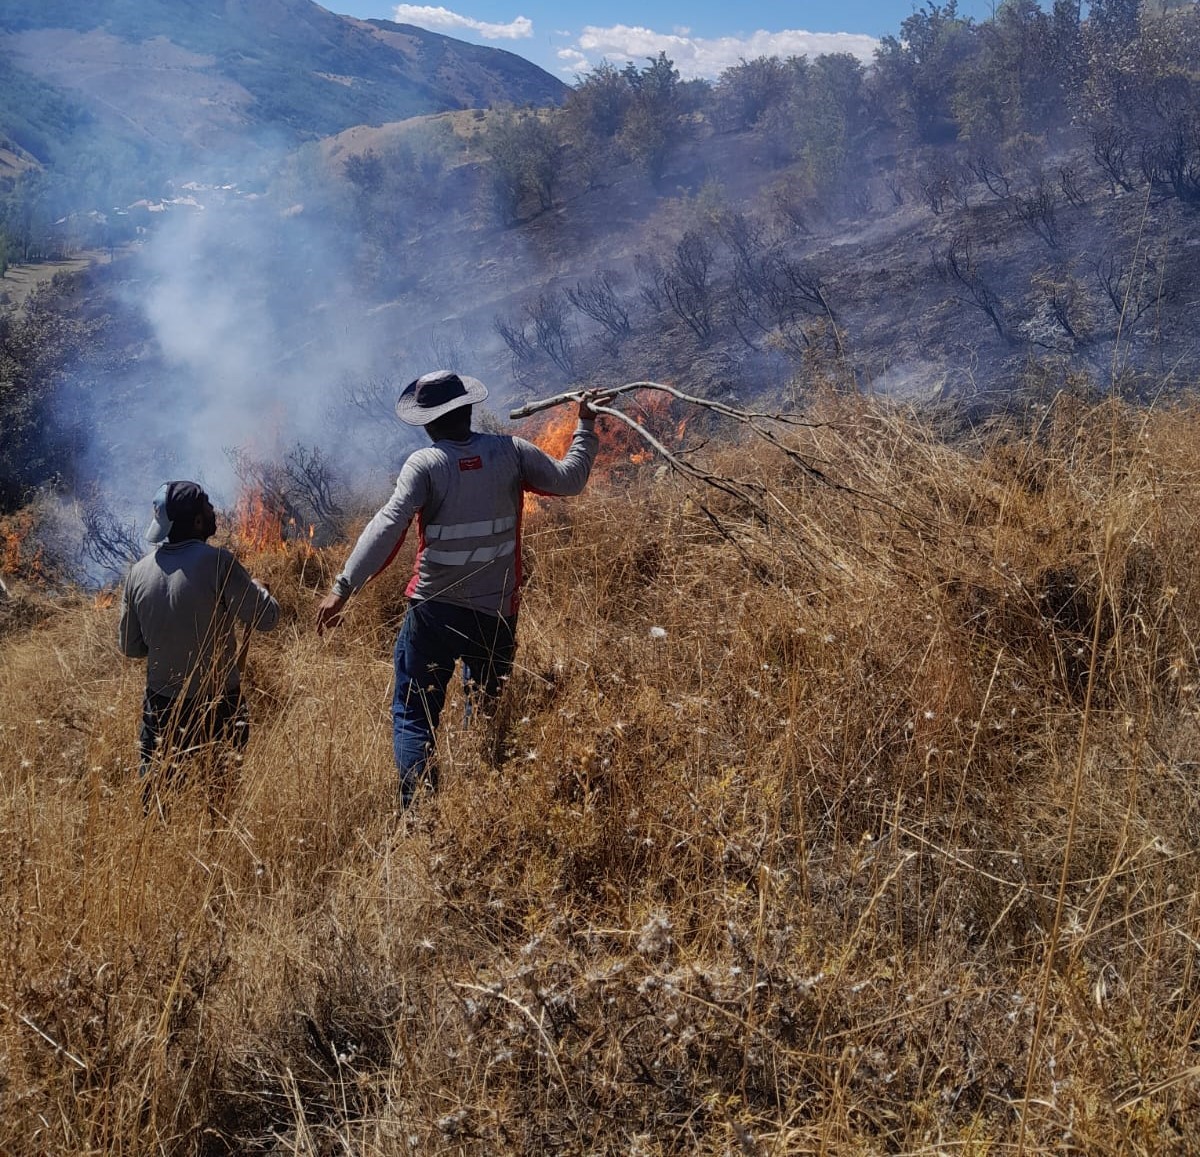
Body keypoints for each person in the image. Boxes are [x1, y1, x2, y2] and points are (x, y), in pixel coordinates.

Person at [315, 370, 609, 806]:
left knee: (415, 715)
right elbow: (570, 480)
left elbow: (387, 527)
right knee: (487, 709)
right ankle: (482, 800)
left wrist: (343, 587)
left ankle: (420, 816)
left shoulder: (427, 464)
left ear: (428, 422)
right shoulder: (510, 452)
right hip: (495, 614)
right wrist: (585, 424)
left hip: (433, 613)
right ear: (469, 410)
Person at [118, 480, 280, 784]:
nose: (213, 510)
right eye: (207, 505)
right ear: (196, 520)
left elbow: (130, 647)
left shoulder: (137, 573)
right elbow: (267, 619)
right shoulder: (218, 563)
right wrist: (259, 590)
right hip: (219, 705)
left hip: (162, 707)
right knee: (220, 795)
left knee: (159, 796)